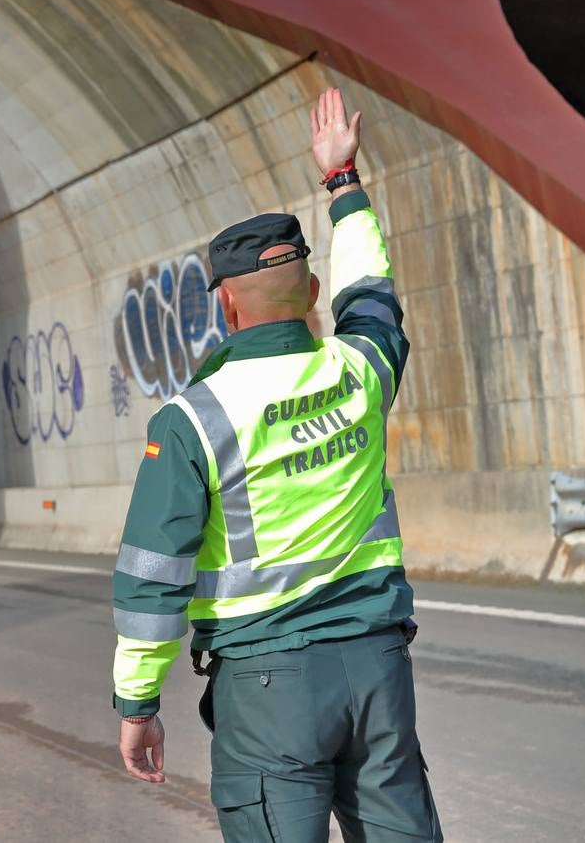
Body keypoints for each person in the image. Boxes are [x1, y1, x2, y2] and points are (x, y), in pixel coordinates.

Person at [110, 88, 441, 842]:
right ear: (312, 293)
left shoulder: (194, 418)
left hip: (268, 685)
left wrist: (138, 705)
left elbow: (153, 577)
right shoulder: (362, 372)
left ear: (225, 308)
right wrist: (343, 181)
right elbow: (374, 295)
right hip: (377, 667)